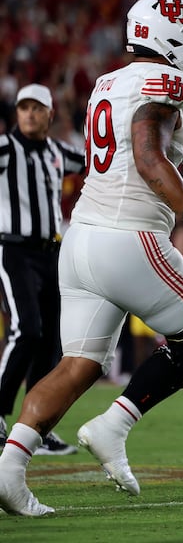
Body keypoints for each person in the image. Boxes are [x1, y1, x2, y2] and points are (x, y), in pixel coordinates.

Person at [0, 0, 183, 517]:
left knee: (78, 366)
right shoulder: (166, 81)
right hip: (127, 239)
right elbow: (147, 153)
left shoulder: (107, 83)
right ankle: (112, 426)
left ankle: (8, 470)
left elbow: (131, 168)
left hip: (82, 239)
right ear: (169, 35)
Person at [0, 84, 85, 456]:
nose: (30, 114)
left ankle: (35, 426)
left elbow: (97, 162)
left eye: (37, 108)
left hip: (52, 254)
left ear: (51, 114)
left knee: (51, 339)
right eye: (24, 108)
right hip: (13, 249)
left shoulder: (57, 152)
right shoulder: (5, 148)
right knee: (27, 330)